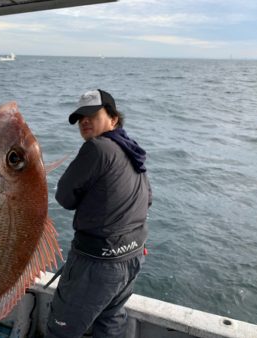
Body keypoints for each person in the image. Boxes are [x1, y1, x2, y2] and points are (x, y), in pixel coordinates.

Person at [46, 89, 152, 338]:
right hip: (133, 257)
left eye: (92, 114)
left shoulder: (97, 148)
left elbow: (64, 197)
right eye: (80, 117)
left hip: (98, 264)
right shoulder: (132, 150)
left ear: (114, 119)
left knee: (61, 329)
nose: (84, 121)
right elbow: (148, 199)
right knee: (110, 322)